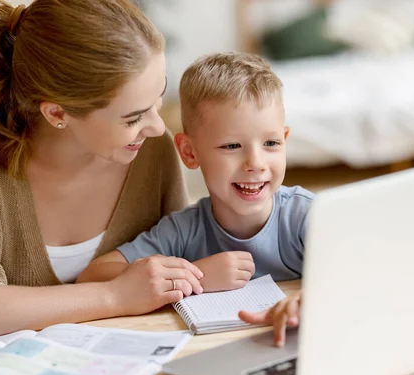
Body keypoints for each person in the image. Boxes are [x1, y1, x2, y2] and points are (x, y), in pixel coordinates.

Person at [0, 0, 205, 346]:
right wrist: (113, 295)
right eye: (133, 117)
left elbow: (185, 261)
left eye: (157, 100)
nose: (158, 128)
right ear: (57, 112)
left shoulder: (151, 150)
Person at [77, 52, 314, 292]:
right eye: (232, 146)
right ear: (190, 152)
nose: (255, 163)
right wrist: (196, 275)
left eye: (271, 143)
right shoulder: (183, 231)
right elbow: (93, 276)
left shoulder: (306, 217)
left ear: (284, 140)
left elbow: (352, 273)